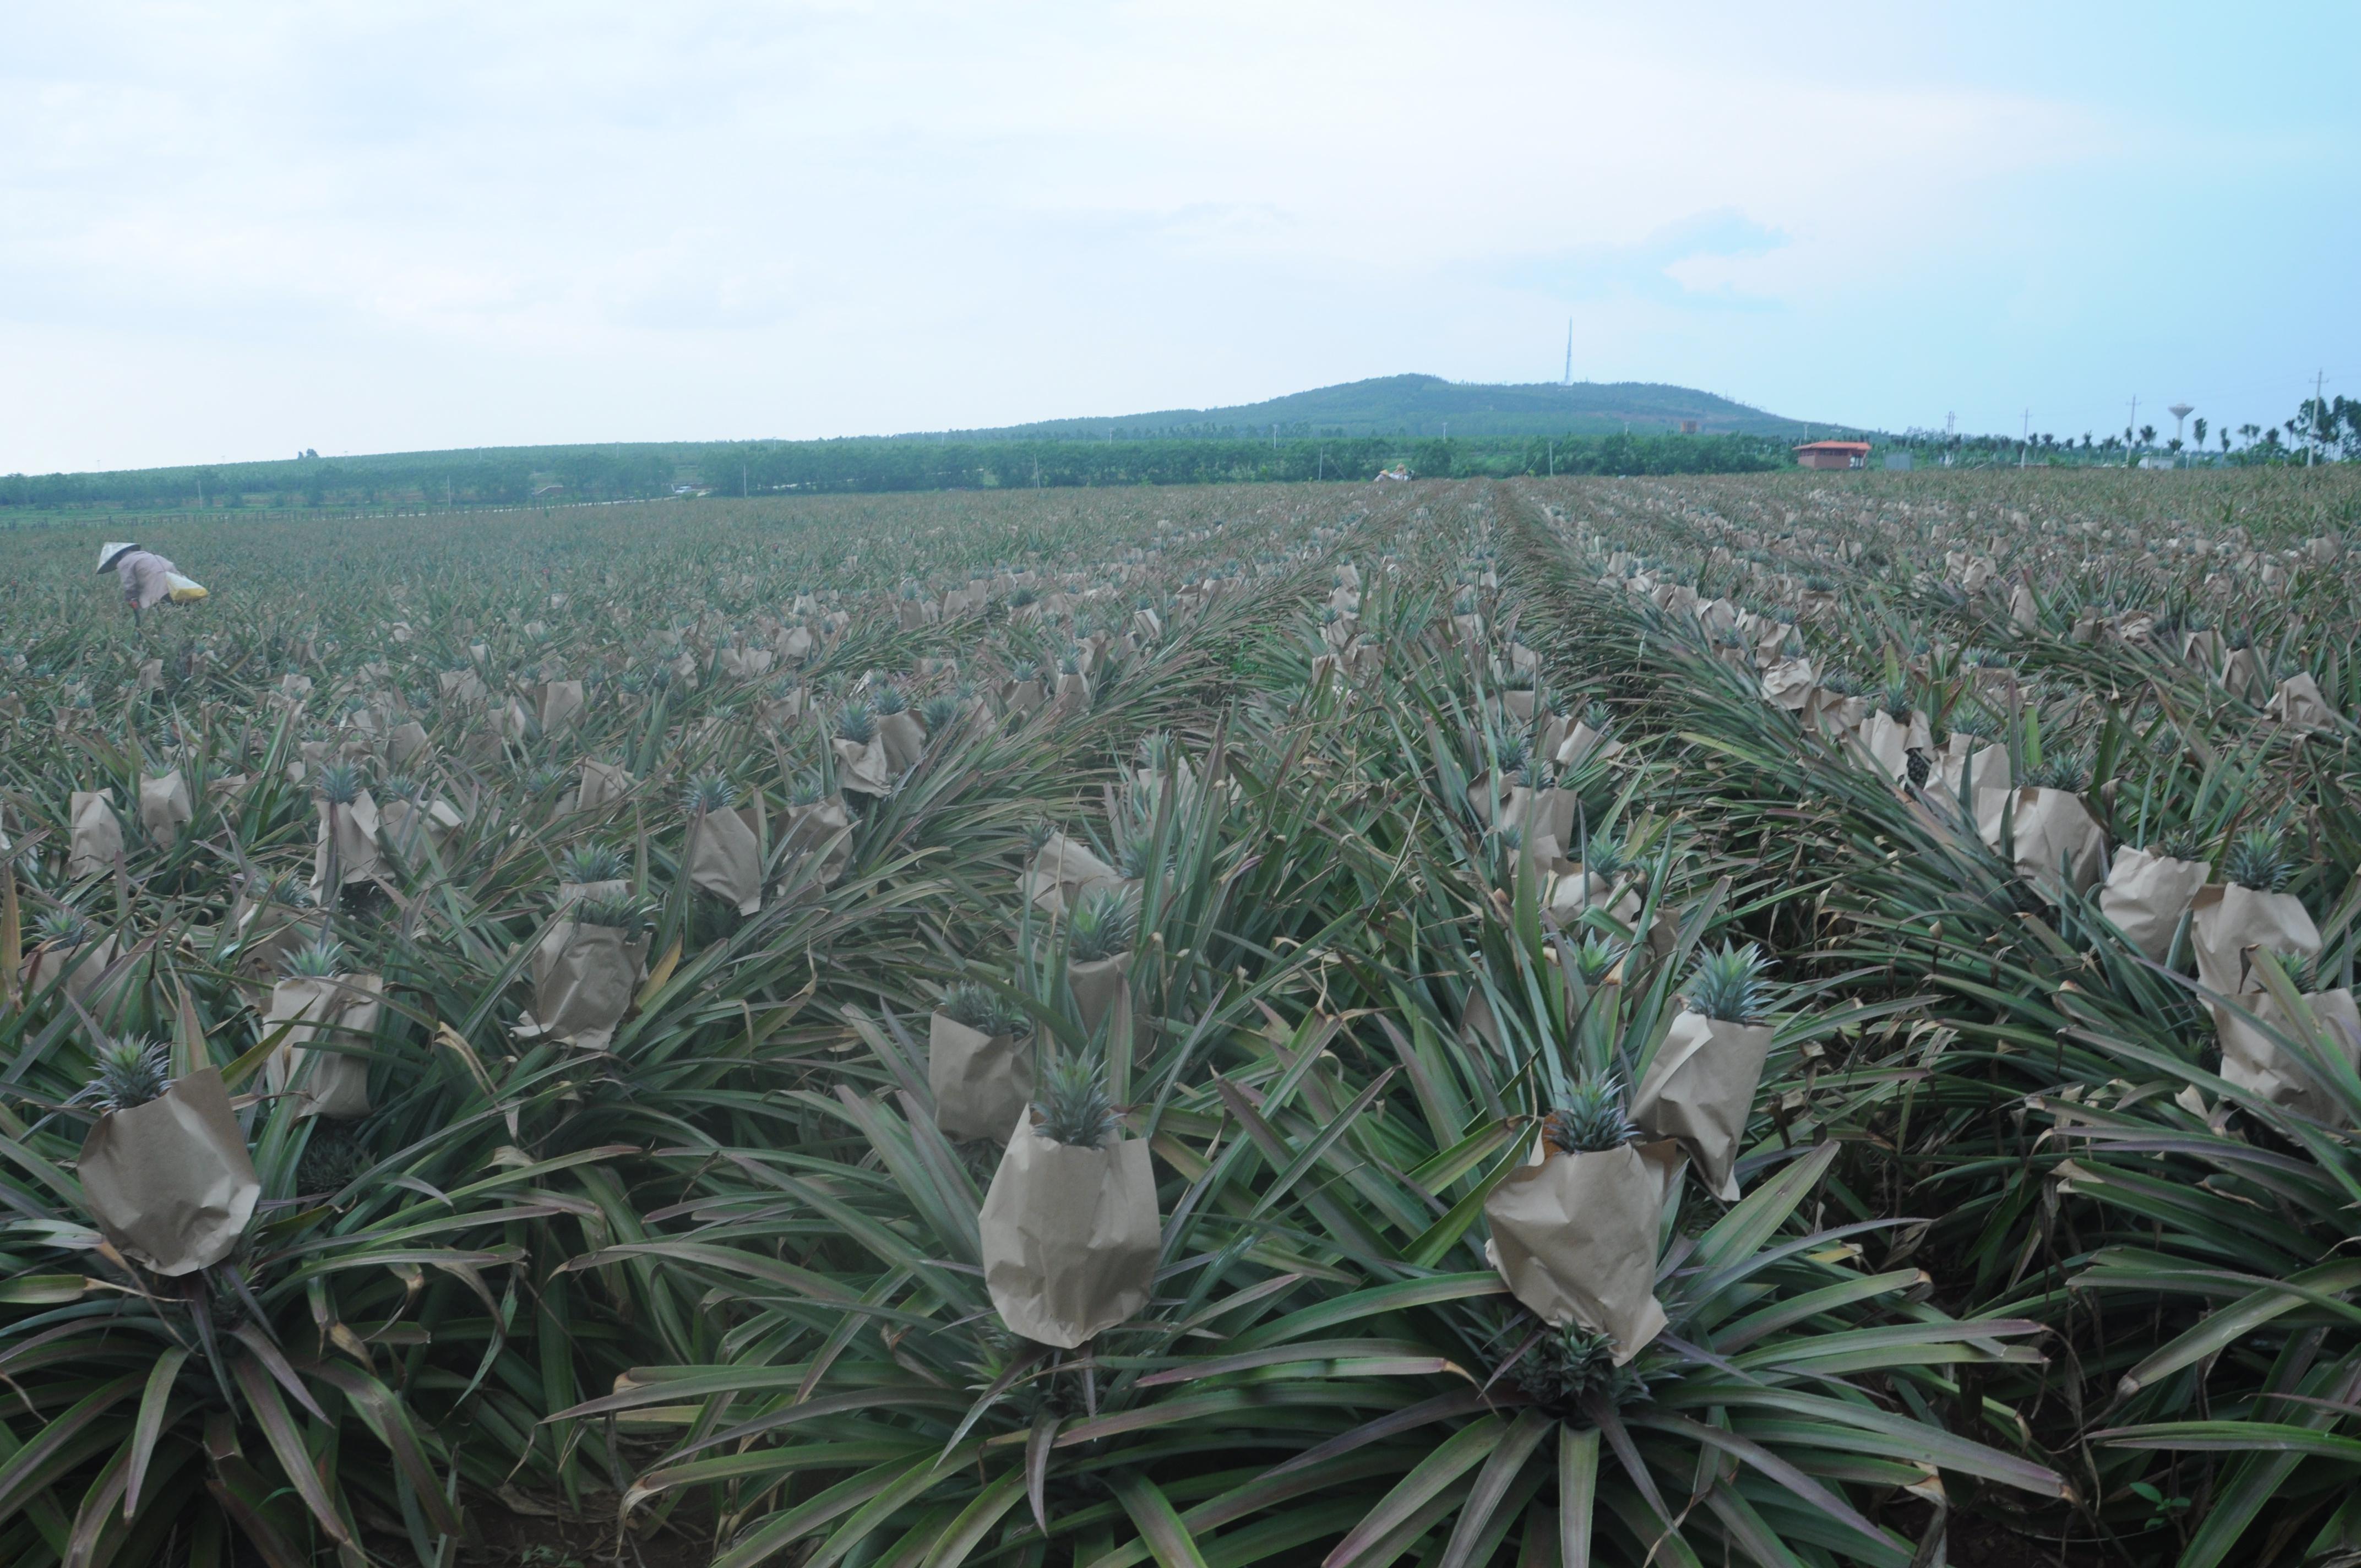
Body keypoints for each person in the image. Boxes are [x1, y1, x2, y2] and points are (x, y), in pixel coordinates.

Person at [97, 541, 189, 625]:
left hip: (159, 592)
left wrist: (131, 599)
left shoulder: (124, 562)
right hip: (178, 587)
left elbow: (129, 585)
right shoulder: (149, 555)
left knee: (165, 619)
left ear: (116, 557)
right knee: (184, 613)